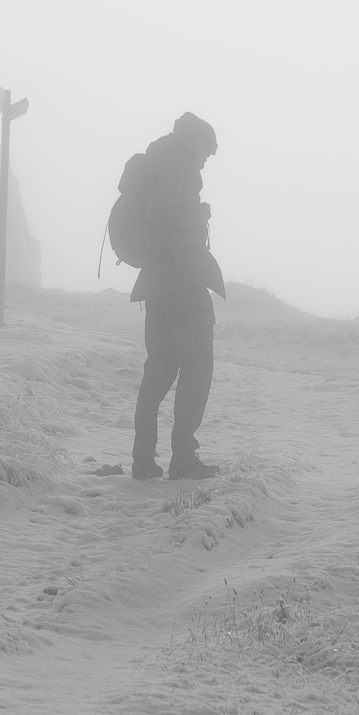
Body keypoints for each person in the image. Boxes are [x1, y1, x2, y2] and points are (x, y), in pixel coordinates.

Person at [130, 112, 225, 481]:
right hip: (183, 283)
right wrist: (196, 214)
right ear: (194, 142)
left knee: (159, 371)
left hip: (158, 285)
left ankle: (143, 460)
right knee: (198, 365)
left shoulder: (160, 161)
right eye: (207, 150)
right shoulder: (178, 166)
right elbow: (159, 213)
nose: (207, 159)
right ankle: (183, 456)